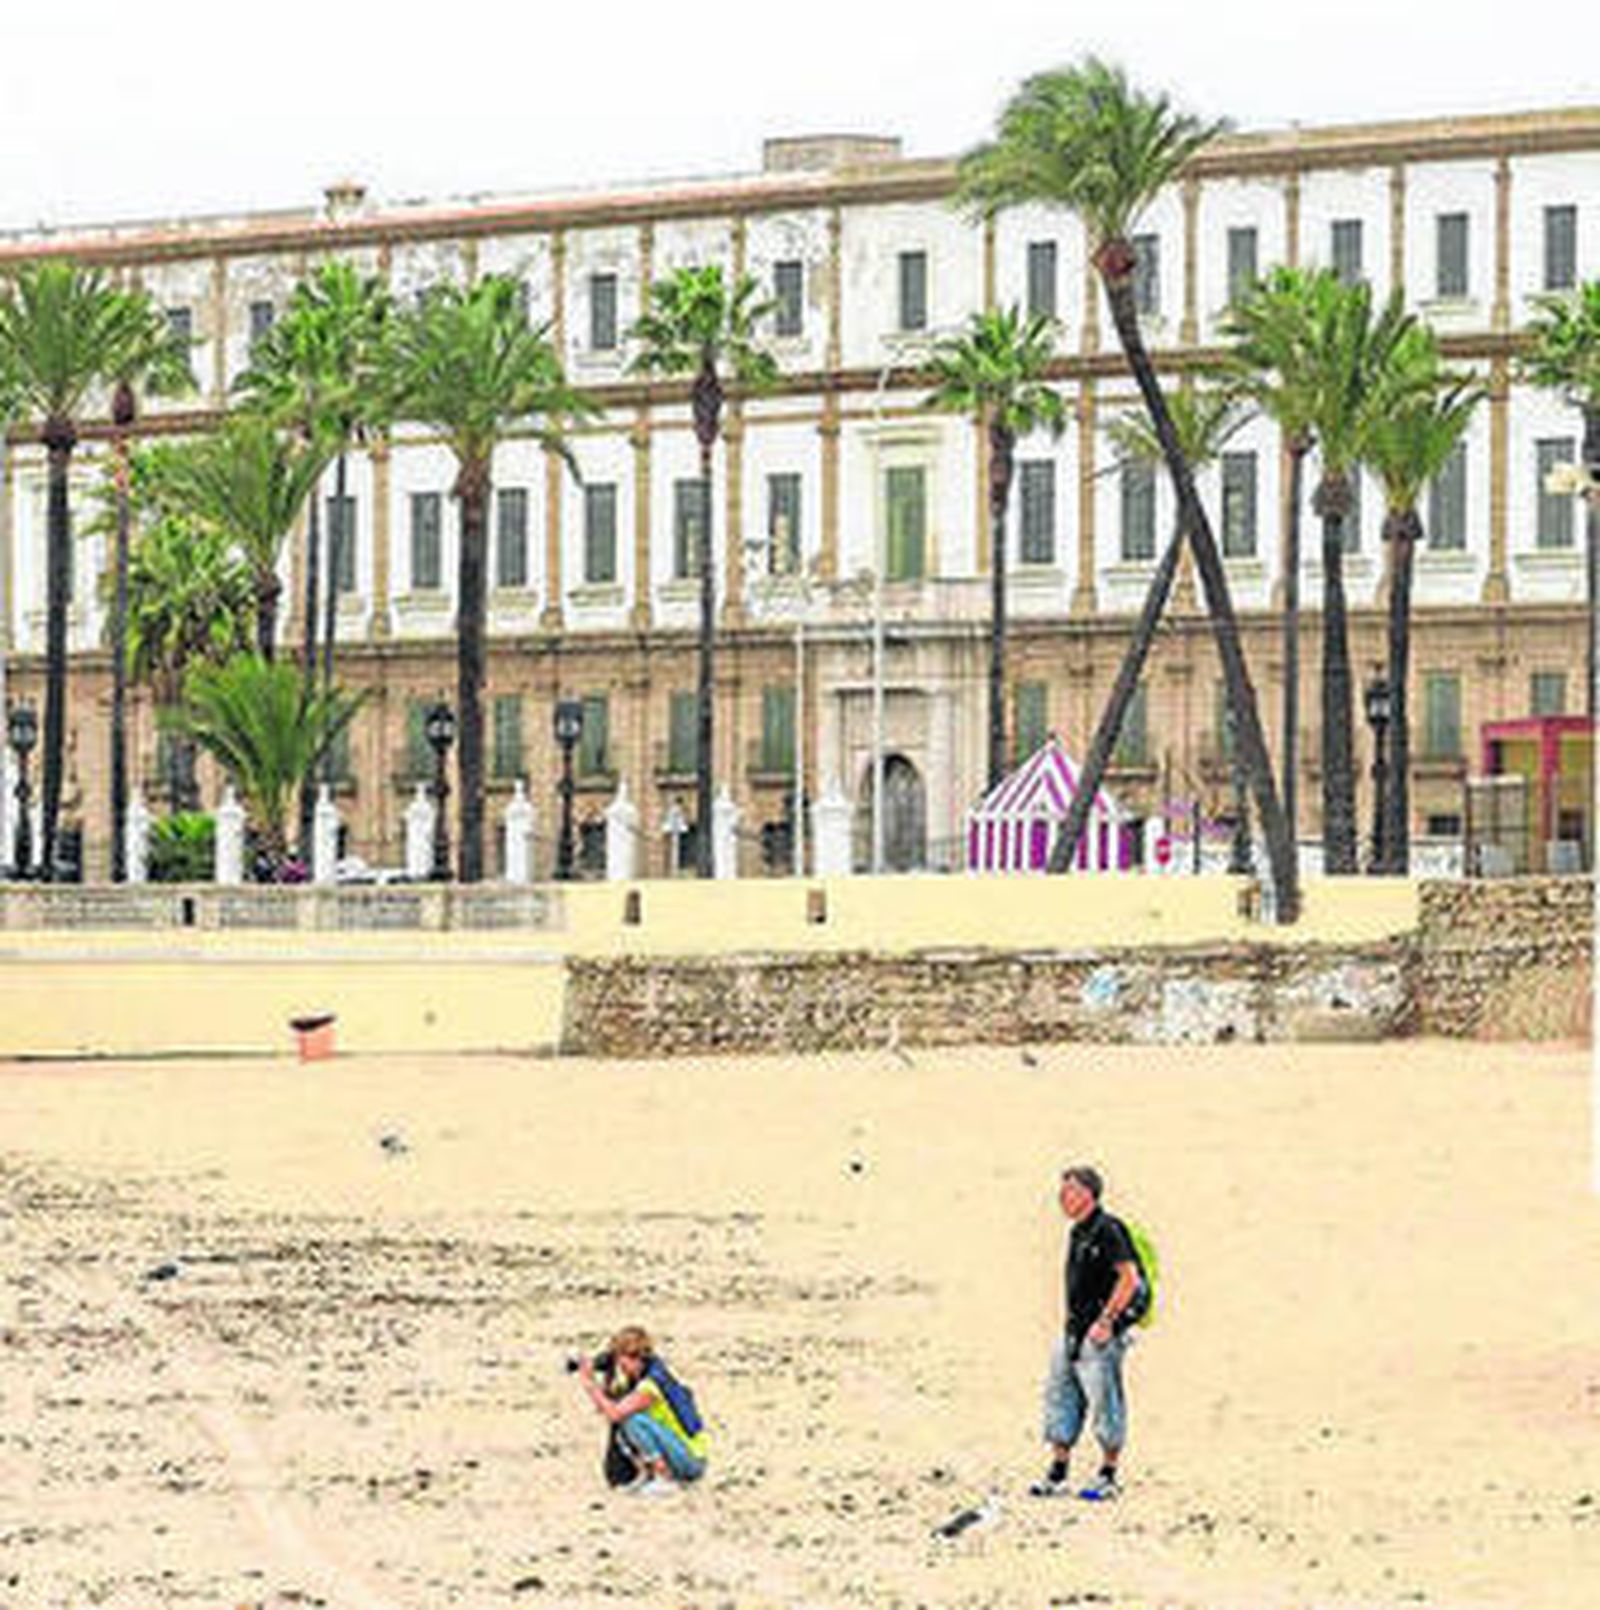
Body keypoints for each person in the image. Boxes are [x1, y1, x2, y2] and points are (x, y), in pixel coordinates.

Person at [1030, 1164, 1142, 1502]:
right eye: (1061, 1191)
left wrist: (1107, 1321)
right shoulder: (1077, 1231)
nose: (1062, 1198)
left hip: (1100, 1335)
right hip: (1074, 1332)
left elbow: (1129, 1277)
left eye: (1069, 1191)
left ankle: (1108, 1475)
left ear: (1088, 1194)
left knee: (1104, 1401)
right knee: (1060, 1395)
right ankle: (1058, 1472)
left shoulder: (1109, 1229)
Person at [575, 1325, 707, 1495]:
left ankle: (663, 1477)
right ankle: (646, 1475)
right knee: (626, 1419)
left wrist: (590, 1385)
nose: (621, 1368)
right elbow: (611, 1404)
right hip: (680, 1451)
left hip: (691, 1460)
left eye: (622, 1363)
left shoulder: (650, 1386)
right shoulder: (648, 1373)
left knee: (632, 1420)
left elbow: (614, 1414)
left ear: (634, 1358)